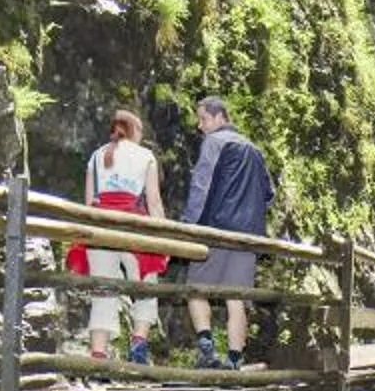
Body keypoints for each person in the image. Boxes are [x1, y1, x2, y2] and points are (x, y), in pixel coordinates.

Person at [181, 95, 273, 368]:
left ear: (220, 117)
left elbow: (201, 185)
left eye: (204, 119)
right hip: (247, 237)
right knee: (237, 299)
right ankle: (234, 360)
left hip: (216, 230)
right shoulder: (255, 150)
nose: (200, 126)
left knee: (195, 289)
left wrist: (188, 224)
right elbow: (268, 195)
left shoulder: (214, 142)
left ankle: (207, 350)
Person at [76, 107, 164, 364]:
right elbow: (154, 202)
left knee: (103, 292)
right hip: (133, 226)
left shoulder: (95, 156)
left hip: (101, 228)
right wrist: (165, 236)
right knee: (146, 285)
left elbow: (89, 201)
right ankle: (138, 343)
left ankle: (98, 355)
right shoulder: (145, 156)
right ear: (135, 131)